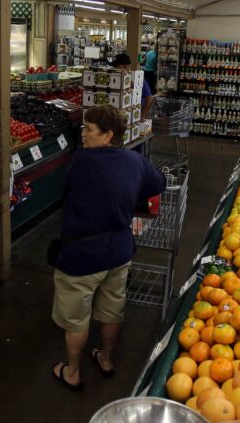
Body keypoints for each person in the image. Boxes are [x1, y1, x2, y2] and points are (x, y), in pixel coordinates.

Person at [51, 105, 167, 390]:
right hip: (119, 250)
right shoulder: (134, 161)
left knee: (77, 319)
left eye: (89, 129)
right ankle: (105, 359)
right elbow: (158, 183)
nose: (83, 135)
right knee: (112, 309)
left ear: (107, 135)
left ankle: (74, 372)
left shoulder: (82, 161)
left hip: (81, 256)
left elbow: (65, 192)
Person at [113, 52, 154, 118]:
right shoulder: (115, 79)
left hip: (134, 114)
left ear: (125, 66)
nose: (114, 69)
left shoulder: (137, 78)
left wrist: (142, 116)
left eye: (116, 67)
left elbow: (149, 98)